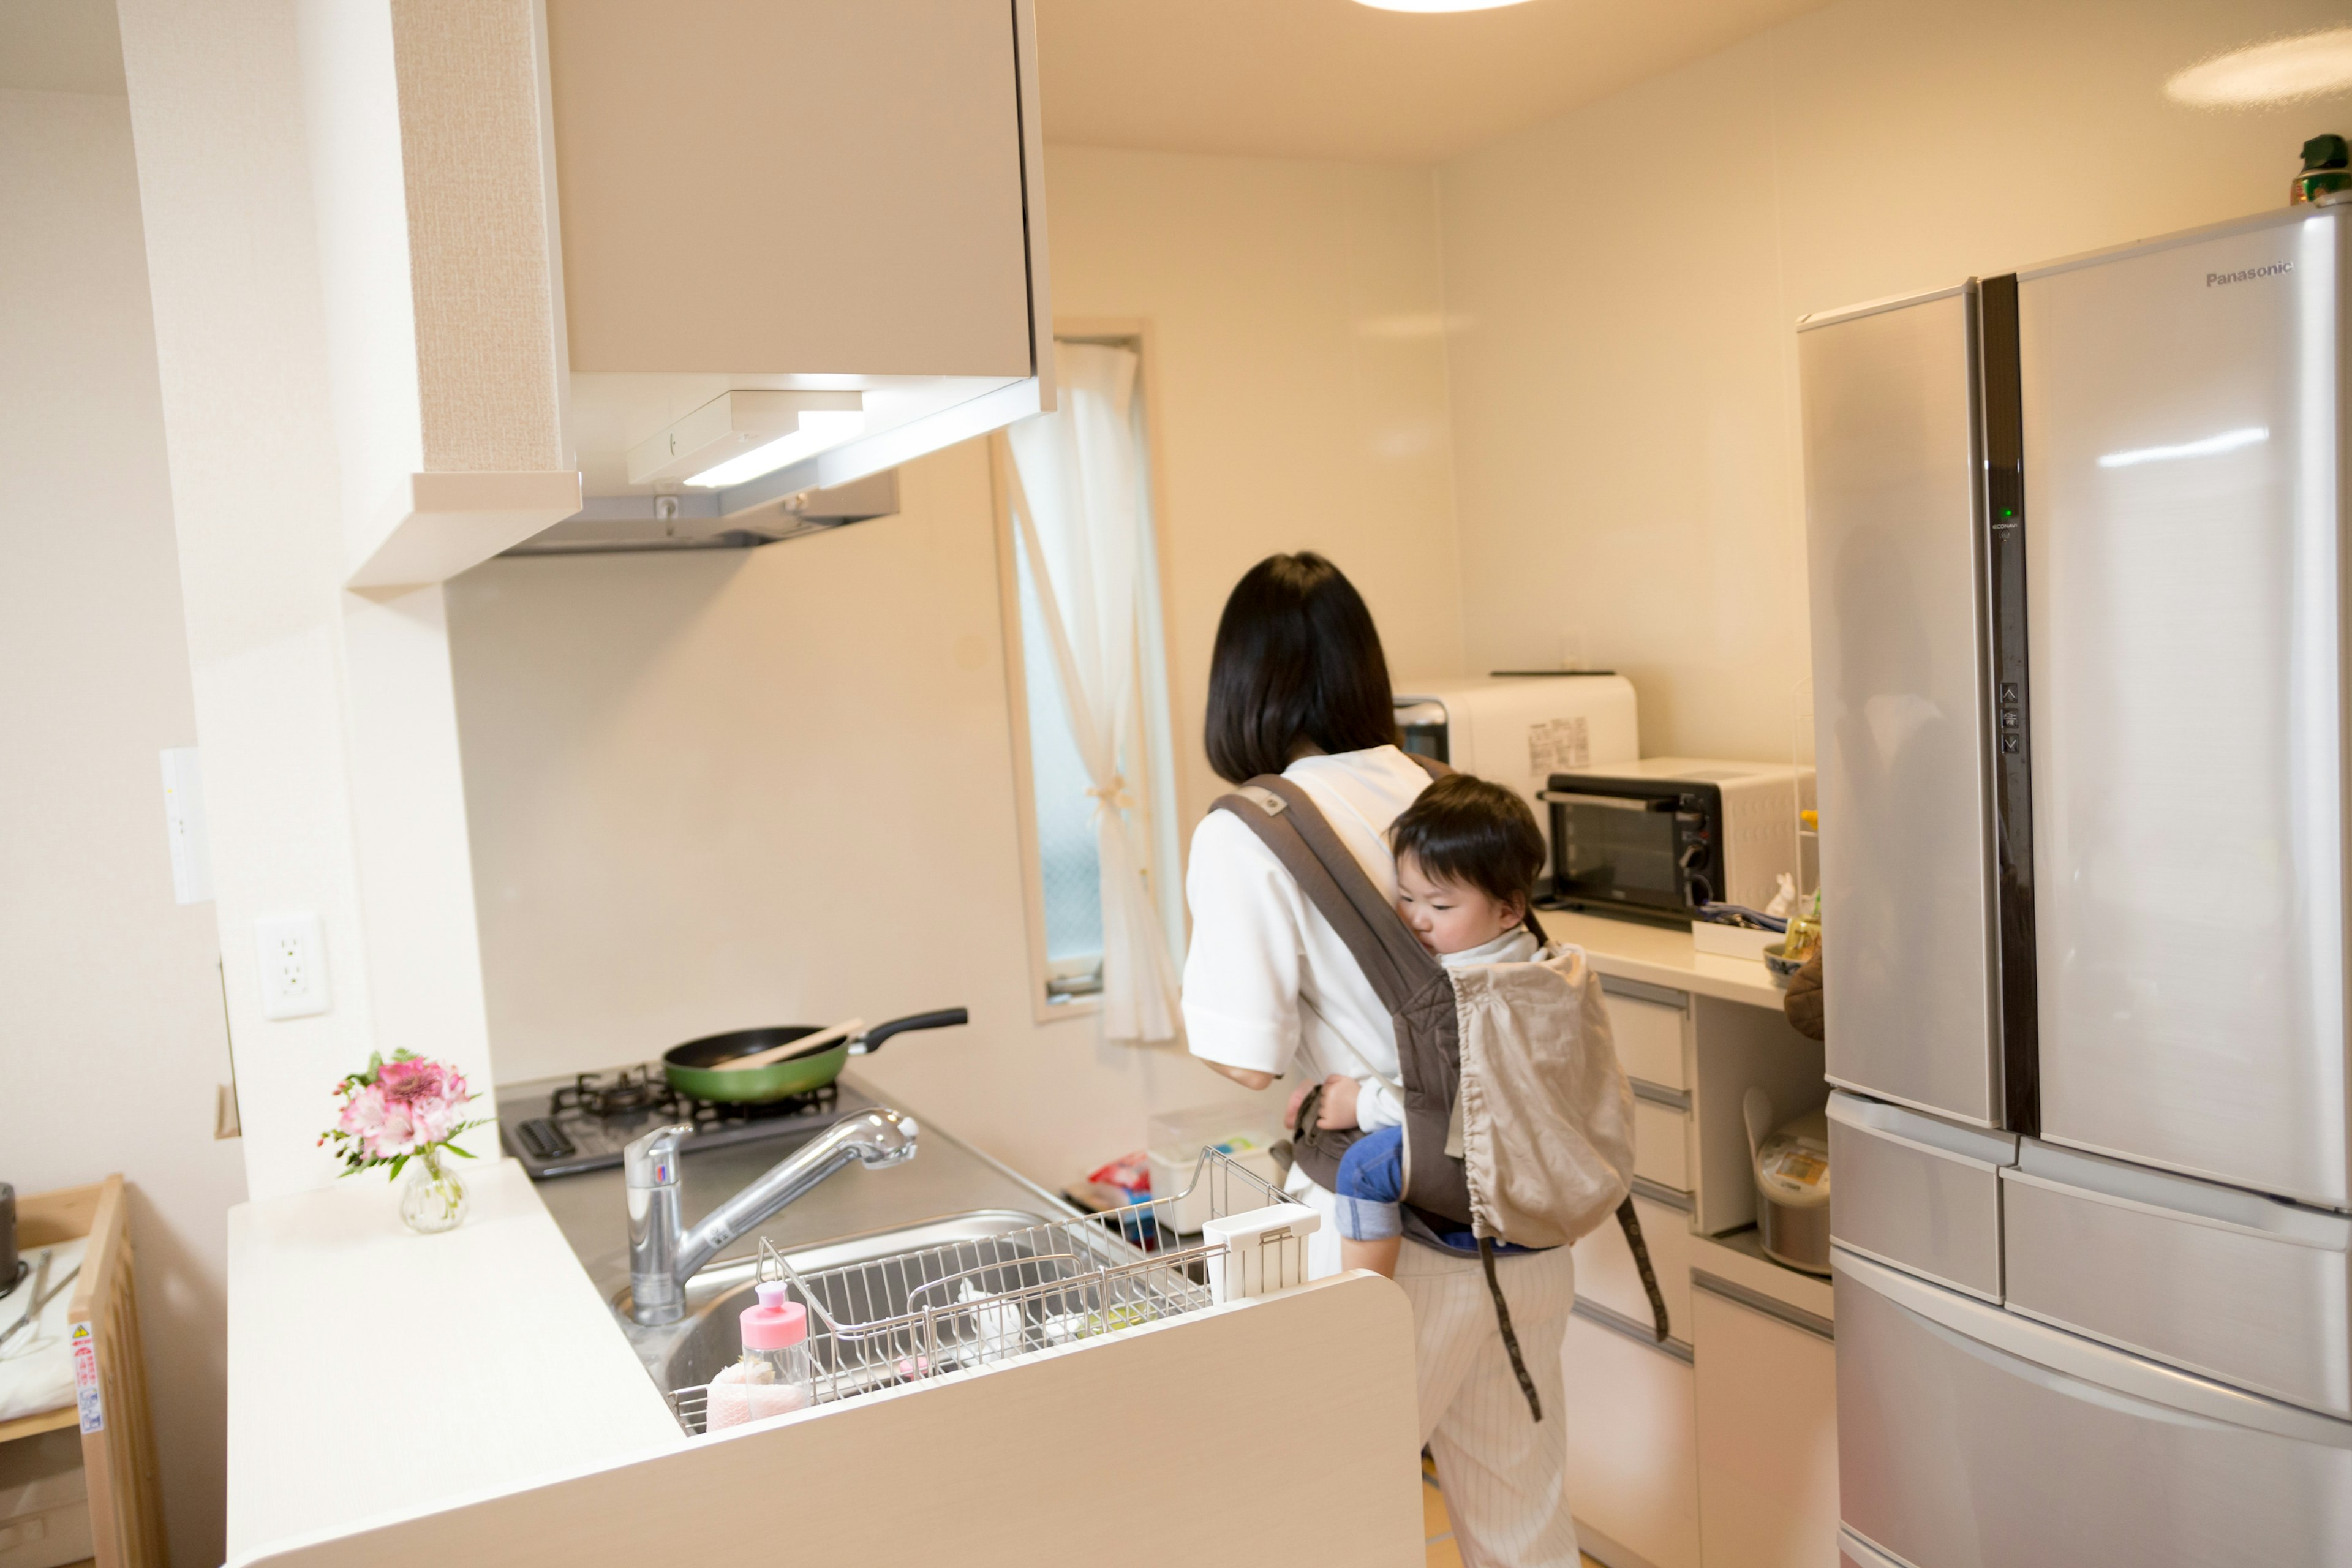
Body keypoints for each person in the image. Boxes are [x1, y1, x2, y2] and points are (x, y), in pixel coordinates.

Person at [1182, 552, 1583, 1568]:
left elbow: (1240, 1060)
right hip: (1520, 1223)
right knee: (1522, 1522)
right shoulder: (1446, 792)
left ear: (1242, 686)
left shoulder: (1252, 829)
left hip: (1391, 1240)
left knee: (1317, 1524)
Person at [1325, 774, 1545, 1280]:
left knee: (1362, 1168)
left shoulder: (1472, 990)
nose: (1418, 920)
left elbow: (1443, 1098)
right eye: (1407, 898)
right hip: (1526, 1140)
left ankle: (1367, 1298)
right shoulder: (1528, 957)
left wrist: (1355, 1104)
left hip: (1492, 1147)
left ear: (1510, 910)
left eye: (1441, 906)